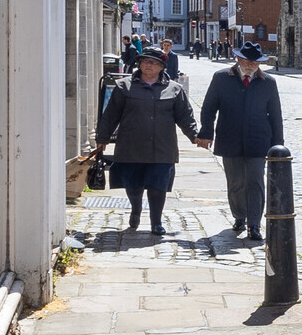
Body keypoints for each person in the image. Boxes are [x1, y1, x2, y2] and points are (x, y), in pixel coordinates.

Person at [93, 49, 206, 234]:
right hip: (131, 145)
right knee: (134, 185)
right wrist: (102, 138)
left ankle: (156, 222)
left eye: (153, 62)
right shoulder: (124, 87)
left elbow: (185, 116)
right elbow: (111, 115)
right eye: (144, 61)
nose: (148, 65)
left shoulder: (174, 89)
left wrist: (195, 136)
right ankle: (136, 210)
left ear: (162, 66)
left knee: (158, 187)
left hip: (162, 147)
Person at [199, 41, 284, 242]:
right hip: (230, 138)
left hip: (258, 140)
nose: (251, 64)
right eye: (247, 59)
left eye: (255, 61)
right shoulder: (221, 78)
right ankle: (239, 216)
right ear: (238, 59)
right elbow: (209, 107)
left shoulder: (268, 82)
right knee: (236, 182)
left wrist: (277, 145)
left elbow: (276, 116)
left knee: (255, 181)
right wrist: (206, 132)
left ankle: (254, 224)